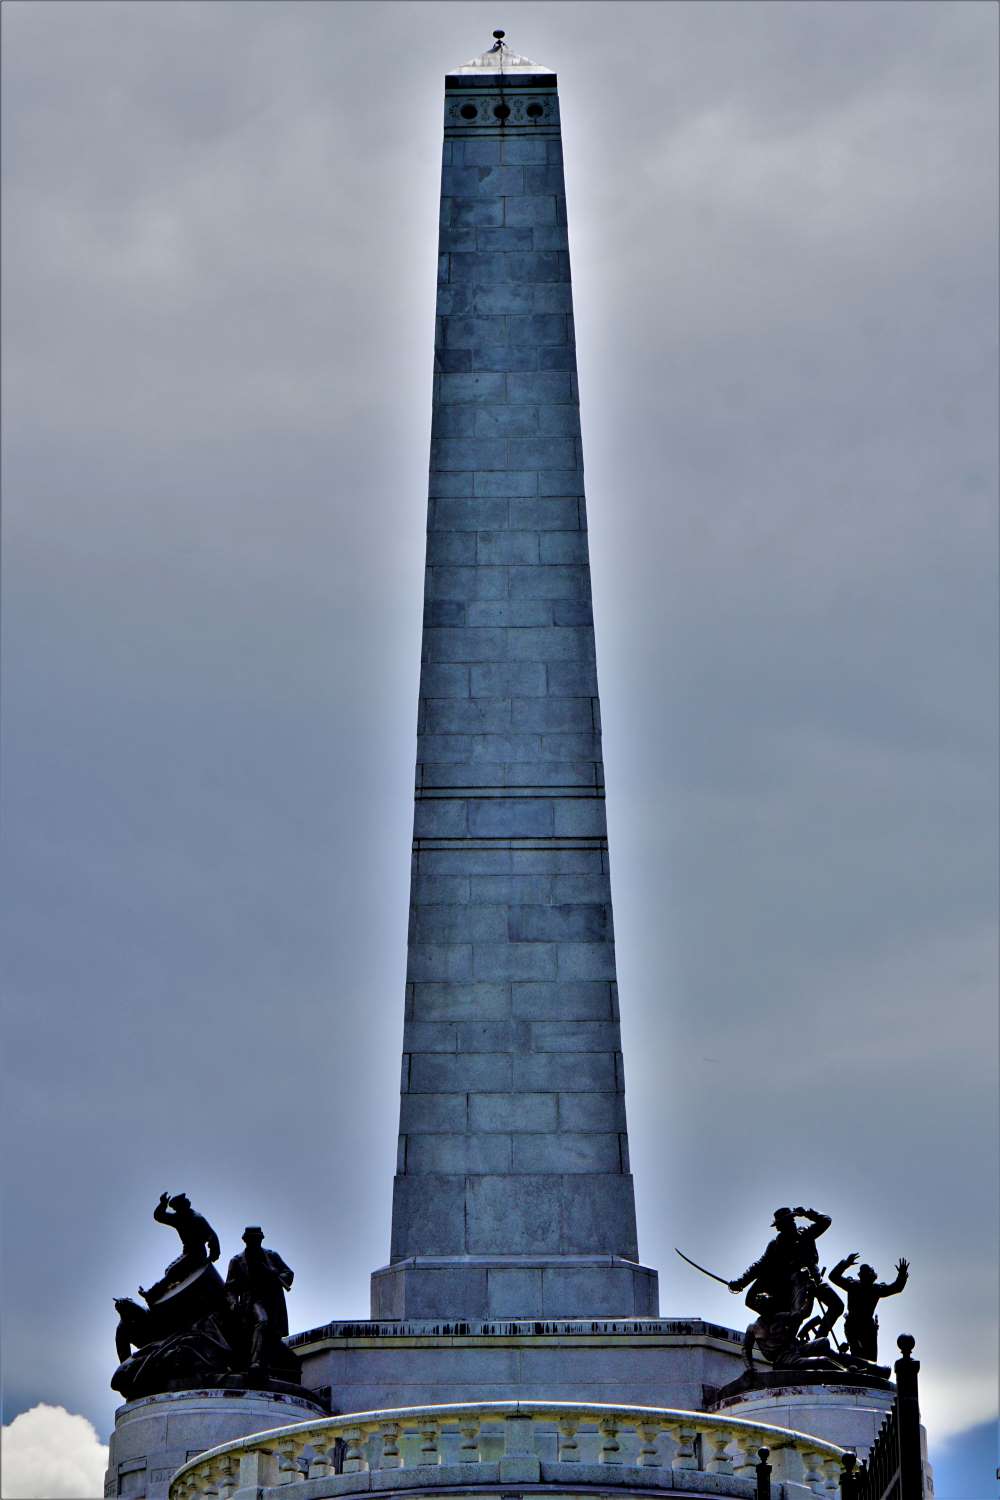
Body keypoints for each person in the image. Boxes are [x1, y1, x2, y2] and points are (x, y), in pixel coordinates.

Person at [729, 1205, 844, 1346]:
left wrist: (807, 1213)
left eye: (792, 1220)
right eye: (784, 1223)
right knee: (796, 1315)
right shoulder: (776, 1245)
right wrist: (741, 1282)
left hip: (814, 1280)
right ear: (780, 1227)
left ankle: (819, 1338)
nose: (791, 1224)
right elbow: (759, 1266)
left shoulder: (806, 1233)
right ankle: (786, 1338)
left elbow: (825, 1221)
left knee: (837, 1306)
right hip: (796, 1286)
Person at [225, 1226, 295, 1378]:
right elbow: (229, 1287)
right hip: (251, 1301)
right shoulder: (237, 1261)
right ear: (245, 1240)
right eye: (251, 1240)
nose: (254, 1242)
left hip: (272, 1301)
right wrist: (232, 1303)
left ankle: (266, 1363)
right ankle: (255, 1362)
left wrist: (274, 1273)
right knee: (262, 1322)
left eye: (257, 1239)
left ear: (261, 1239)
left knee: (272, 1334)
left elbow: (288, 1273)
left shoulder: (271, 1256)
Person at [140, 1192, 221, 1300]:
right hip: (188, 1251)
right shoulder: (180, 1218)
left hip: (197, 1253)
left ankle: (151, 1294)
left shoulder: (196, 1219)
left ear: (183, 1207)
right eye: (175, 1210)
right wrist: (163, 1204)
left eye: (177, 1209)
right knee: (170, 1271)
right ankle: (159, 1293)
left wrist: (212, 1256)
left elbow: (212, 1236)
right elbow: (160, 1216)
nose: (176, 1211)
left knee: (173, 1271)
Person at [829, 1252, 909, 1361]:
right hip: (854, 1326)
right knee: (859, 1356)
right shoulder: (855, 1286)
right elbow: (833, 1277)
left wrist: (902, 1275)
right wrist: (845, 1263)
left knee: (869, 1359)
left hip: (866, 1328)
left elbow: (896, 1288)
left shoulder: (872, 1289)